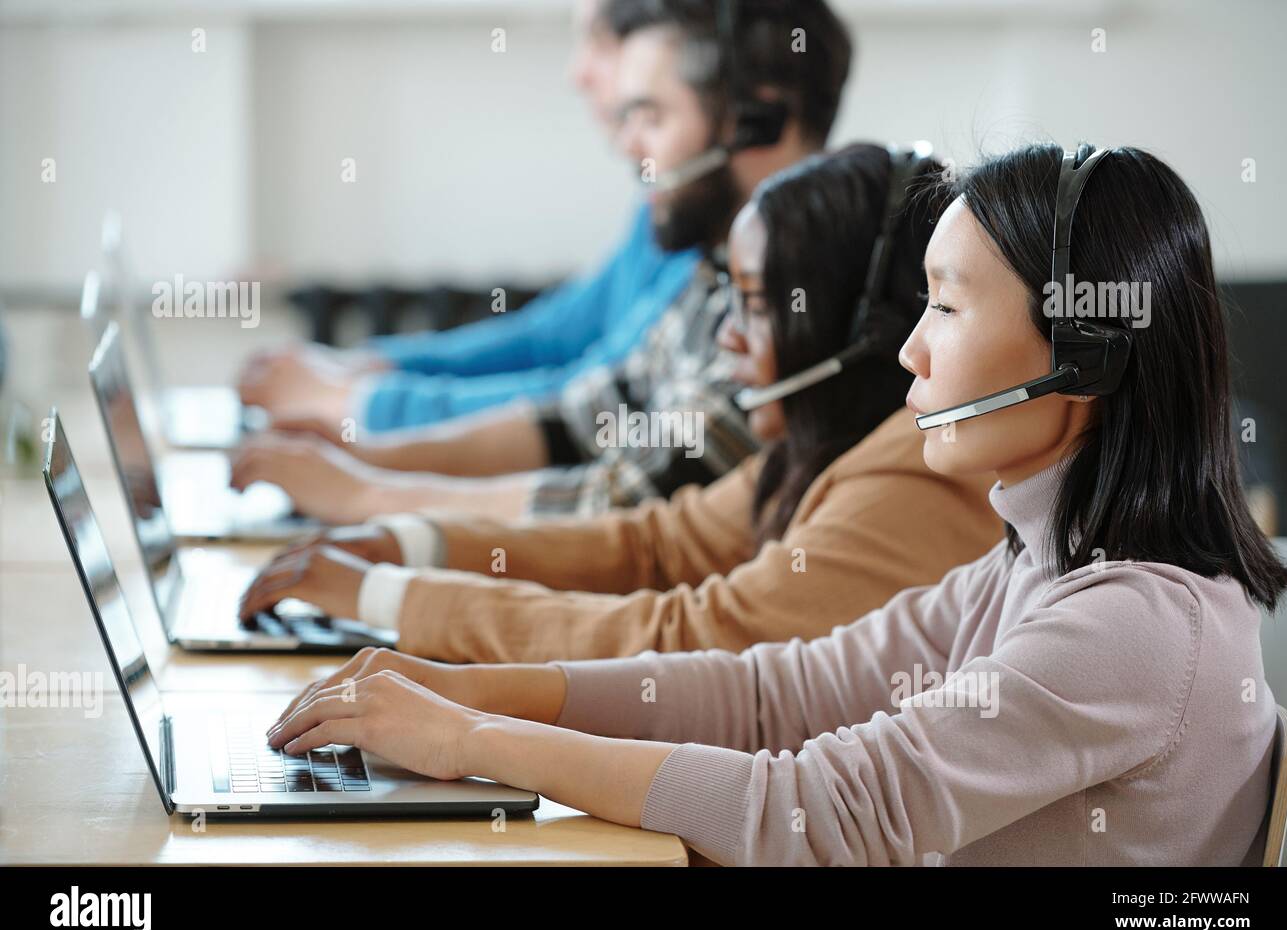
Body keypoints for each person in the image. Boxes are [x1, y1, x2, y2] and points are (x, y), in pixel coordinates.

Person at [262, 142, 1287, 866]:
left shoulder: (1128, 623)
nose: (910, 348)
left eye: (947, 305)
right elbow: (774, 694)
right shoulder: (1030, 559)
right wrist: (470, 690)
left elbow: (813, 811)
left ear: (1083, 353)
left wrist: (471, 740)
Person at [237, 144, 1005, 661]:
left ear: (861, 332)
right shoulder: (819, 449)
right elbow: (656, 545)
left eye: (755, 307)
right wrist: (407, 544)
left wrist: (390, 596)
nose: (726, 338)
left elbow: (696, 632)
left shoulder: (908, 475)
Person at [230, 0, 855, 523]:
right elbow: (583, 412)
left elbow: (629, 502)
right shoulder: (714, 270)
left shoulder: (790, 294)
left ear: (758, 118)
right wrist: (370, 456)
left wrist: (368, 490)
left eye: (652, 117)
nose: (625, 143)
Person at [237, 0, 700, 433]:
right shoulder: (660, 203)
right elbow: (549, 339)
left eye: (598, 42)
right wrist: (373, 366)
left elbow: (597, 399)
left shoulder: (705, 213)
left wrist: (361, 404)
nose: (576, 74)